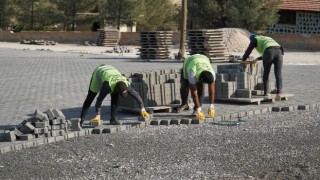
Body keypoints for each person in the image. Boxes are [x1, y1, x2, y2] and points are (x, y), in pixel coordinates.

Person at [80, 64, 150, 125]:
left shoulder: (126, 84)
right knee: (90, 97)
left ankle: (113, 119)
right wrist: (98, 115)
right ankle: (81, 120)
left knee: (115, 97)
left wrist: (143, 109)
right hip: (99, 72)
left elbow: (136, 95)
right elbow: (99, 100)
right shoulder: (107, 86)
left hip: (111, 70)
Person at [242, 34, 284, 100]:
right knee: (278, 73)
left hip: (269, 51)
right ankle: (279, 93)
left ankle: (266, 93)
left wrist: (243, 60)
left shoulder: (254, 39)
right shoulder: (266, 38)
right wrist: (257, 59)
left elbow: (249, 50)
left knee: (266, 73)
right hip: (280, 51)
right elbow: (271, 50)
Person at [175, 54, 216, 120]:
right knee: (184, 85)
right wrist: (200, 109)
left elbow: (212, 90)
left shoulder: (212, 73)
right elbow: (194, 93)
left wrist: (211, 106)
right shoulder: (192, 72)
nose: (204, 83)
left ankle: (196, 109)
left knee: (201, 89)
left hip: (203, 59)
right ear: (201, 79)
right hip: (189, 62)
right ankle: (184, 103)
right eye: (203, 82)